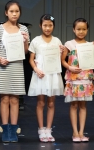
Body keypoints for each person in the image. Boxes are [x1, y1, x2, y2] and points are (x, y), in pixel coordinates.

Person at [0, 0, 29, 143]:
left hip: (17, 66)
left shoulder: (23, 29)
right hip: (3, 66)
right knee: (4, 98)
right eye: (11, 11)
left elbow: (25, 51)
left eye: (17, 11)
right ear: (6, 13)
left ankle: (14, 129)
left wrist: (25, 41)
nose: (14, 14)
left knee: (15, 99)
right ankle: (5, 130)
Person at [61, 18, 94, 142]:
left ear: (87, 30)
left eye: (84, 29)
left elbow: (93, 62)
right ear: (73, 29)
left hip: (85, 78)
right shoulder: (69, 44)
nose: (81, 32)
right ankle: (75, 132)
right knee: (74, 105)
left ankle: (82, 132)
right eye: (78, 29)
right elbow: (62, 60)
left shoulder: (89, 45)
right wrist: (70, 67)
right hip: (74, 78)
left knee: (83, 105)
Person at [28, 14, 64, 142]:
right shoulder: (36, 41)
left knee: (51, 103)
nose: (47, 28)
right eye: (45, 25)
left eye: (50, 25)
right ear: (40, 25)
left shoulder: (57, 41)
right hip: (41, 74)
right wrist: (36, 69)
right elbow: (31, 59)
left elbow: (60, 60)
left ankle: (49, 130)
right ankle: (41, 129)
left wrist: (63, 51)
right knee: (41, 102)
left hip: (53, 74)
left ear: (53, 26)